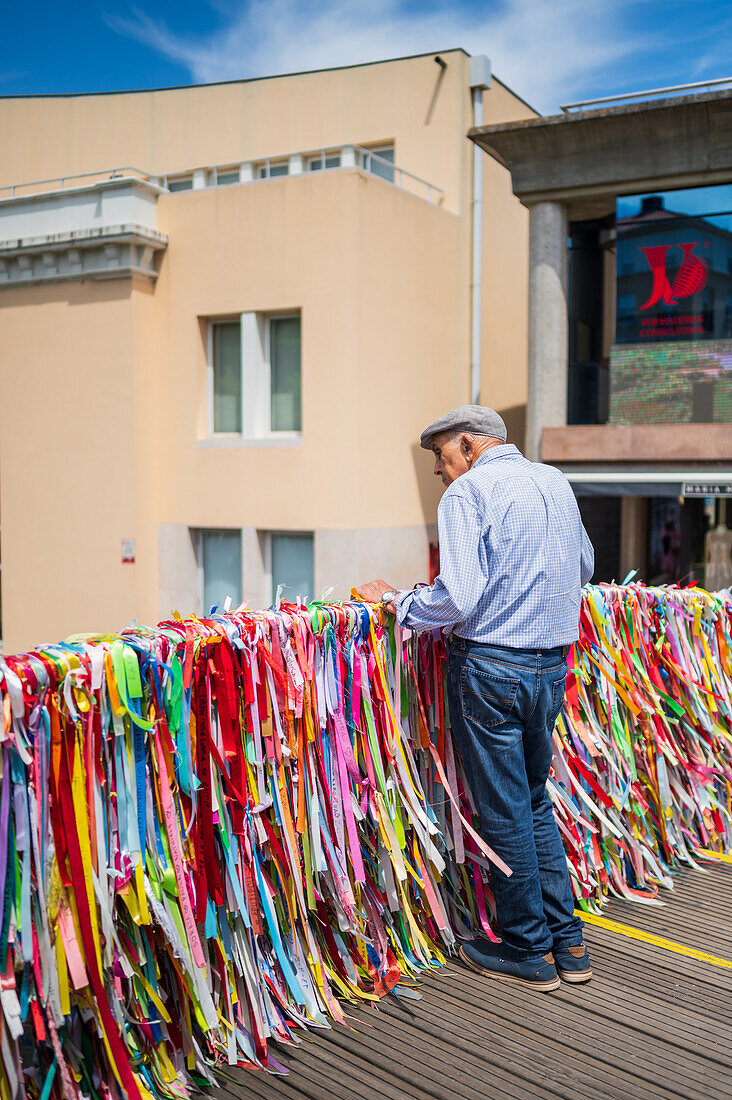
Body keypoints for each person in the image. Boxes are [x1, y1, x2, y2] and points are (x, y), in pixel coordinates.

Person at [357, 405, 595, 992]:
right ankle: (568, 943)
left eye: (440, 457)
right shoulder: (554, 482)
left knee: (505, 806)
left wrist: (397, 604)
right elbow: (584, 566)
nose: (439, 471)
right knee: (534, 798)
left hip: (490, 667)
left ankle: (527, 948)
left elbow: (458, 599)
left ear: (467, 445)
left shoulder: (466, 496)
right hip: (549, 666)